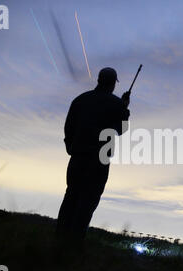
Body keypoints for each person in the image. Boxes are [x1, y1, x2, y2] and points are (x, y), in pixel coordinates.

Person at [56, 67, 131, 243]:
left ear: (98, 80)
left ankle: (60, 239)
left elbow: (69, 126)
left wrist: (71, 147)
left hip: (78, 156)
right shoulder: (117, 104)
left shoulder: (80, 100)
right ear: (113, 83)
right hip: (99, 161)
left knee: (71, 196)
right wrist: (125, 109)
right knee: (88, 200)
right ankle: (74, 243)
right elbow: (122, 130)